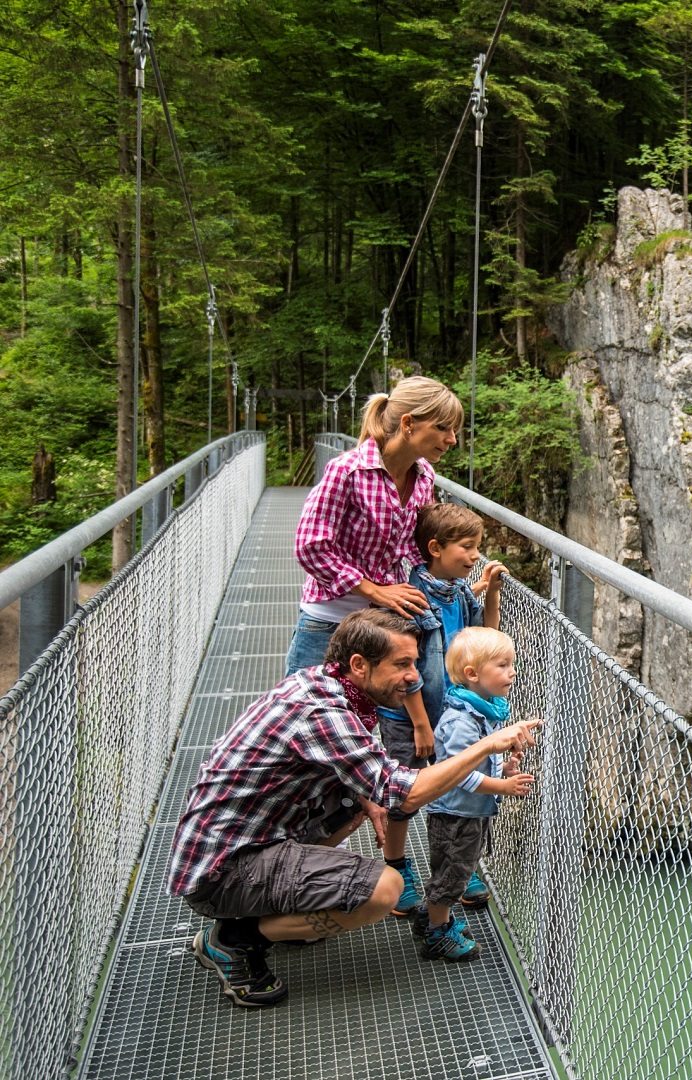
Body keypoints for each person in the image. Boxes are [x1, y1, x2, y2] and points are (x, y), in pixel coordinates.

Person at [168, 608, 539, 1007]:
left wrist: (366, 799)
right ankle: (232, 940)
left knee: (359, 806)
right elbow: (402, 793)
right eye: (401, 664)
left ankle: (280, 912)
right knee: (384, 890)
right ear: (359, 665)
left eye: (414, 662)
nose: (414, 676)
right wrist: (487, 745)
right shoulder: (324, 713)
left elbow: (353, 770)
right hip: (224, 869)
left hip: (245, 839)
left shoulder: (325, 686)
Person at [287, 375, 462, 916]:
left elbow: (417, 551)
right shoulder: (347, 470)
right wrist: (372, 588)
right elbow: (309, 546)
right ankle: (285, 866)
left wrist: (455, 581)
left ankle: (409, 866)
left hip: (390, 631)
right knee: (306, 743)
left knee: (403, 748)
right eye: (444, 428)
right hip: (332, 624)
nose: (452, 439)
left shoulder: (424, 476)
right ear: (407, 424)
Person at [377, 502, 508, 907]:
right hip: (409, 715)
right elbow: (408, 669)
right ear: (435, 548)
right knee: (407, 794)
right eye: (467, 547)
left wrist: (491, 594)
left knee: (449, 787)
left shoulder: (457, 593)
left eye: (477, 547)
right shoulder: (414, 601)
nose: (474, 556)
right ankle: (396, 864)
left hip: (449, 715)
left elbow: (483, 640)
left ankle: (453, 868)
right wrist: (419, 724)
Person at [416, 627, 535, 960]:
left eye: (511, 663)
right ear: (472, 673)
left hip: (471, 812)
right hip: (456, 815)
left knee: (456, 870)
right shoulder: (461, 721)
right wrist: (502, 787)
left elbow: (483, 759)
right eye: (502, 665)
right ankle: (438, 934)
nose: (512, 672)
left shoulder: (485, 711)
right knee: (454, 872)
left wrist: (505, 769)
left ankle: (432, 918)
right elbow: (460, 775)